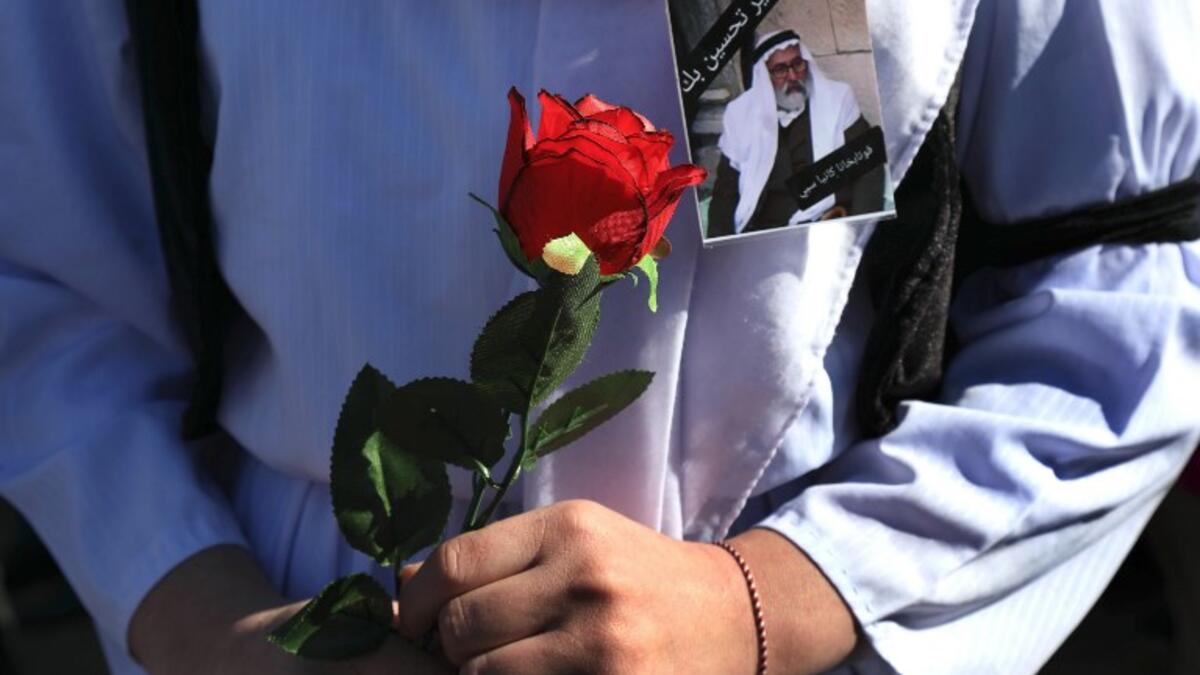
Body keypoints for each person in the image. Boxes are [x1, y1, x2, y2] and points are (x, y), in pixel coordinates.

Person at [1, 1, 1197, 674]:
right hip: (300, 618)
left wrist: (765, 602)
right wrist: (214, 630)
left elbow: (1138, 266)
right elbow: (49, 287)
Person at [706, 30, 885, 238]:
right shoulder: (740, 116)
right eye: (781, 70)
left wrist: (861, 232)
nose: (792, 76)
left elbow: (869, 166)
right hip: (765, 231)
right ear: (764, 76)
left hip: (824, 225)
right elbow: (725, 193)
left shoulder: (837, 100)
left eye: (797, 64)